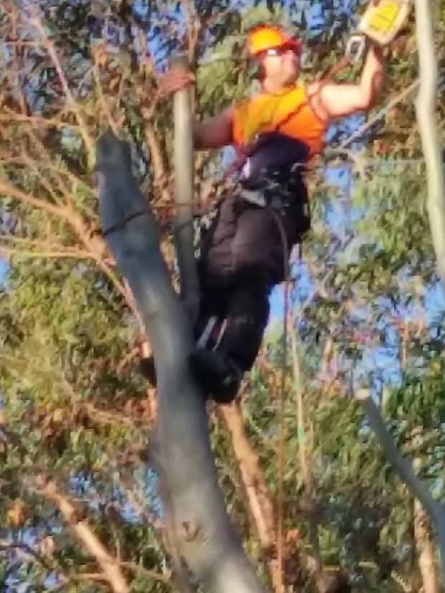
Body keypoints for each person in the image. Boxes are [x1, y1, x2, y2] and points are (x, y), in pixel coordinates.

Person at [155, 21, 387, 403]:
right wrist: (179, 96)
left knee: (248, 270)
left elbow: (365, 95)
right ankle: (189, 355)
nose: (295, 55)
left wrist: (376, 47)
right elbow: (195, 136)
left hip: (277, 198)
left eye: (295, 50)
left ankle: (230, 363)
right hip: (237, 200)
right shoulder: (243, 111)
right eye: (284, 50)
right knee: (211, 274)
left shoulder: (314, 97)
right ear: (262, 62)